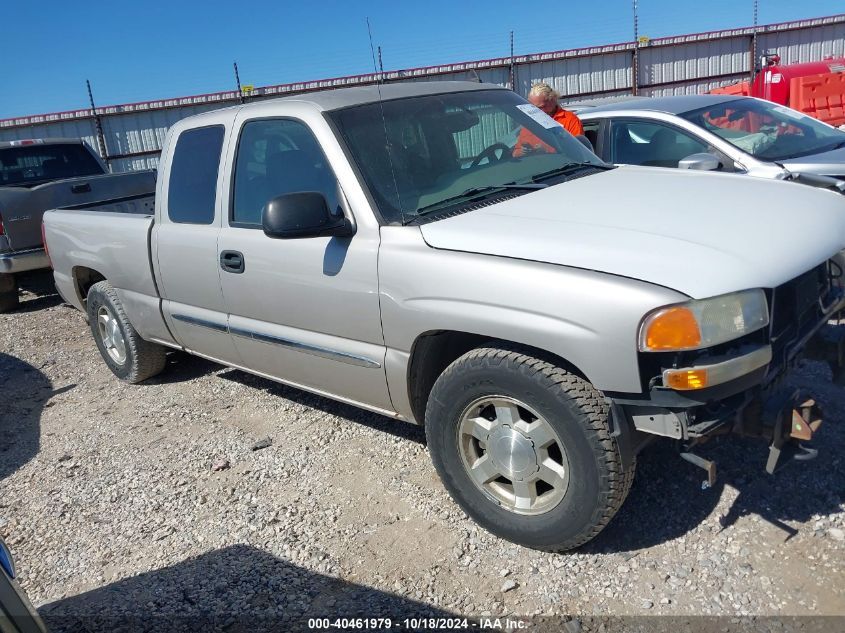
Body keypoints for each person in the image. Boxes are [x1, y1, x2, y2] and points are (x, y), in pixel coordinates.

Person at [513, 82, 584, 157]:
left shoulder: (570, 120)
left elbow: (579, 151)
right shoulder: (530, 123)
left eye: (540, 107)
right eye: (533, 108)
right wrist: (522, 152)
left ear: (552, 100)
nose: (536, 111)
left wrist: (546, 149)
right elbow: (515, 153)